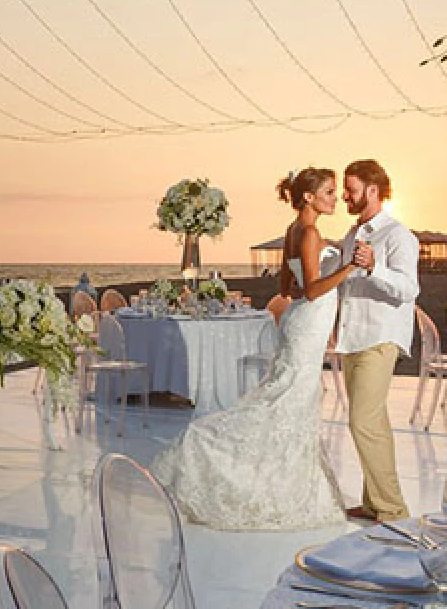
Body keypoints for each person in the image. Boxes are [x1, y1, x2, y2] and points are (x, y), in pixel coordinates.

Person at [148, 168, 355, 529]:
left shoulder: (295, 231)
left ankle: (283, 479)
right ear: (308, 197)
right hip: (308, 322)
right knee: (287, 399)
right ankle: (206, 449)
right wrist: (349, 267)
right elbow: (309, 290)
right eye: (329, 191)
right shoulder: (308, 232)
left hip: (305, 323)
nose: (335, 198)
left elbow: (286, 285)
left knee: (288, 397)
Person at [333, 159, 421, 522]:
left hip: (380, 338)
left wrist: (374, 267)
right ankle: (373, 503)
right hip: (354, 338)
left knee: (362, 422)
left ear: (372, 190)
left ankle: (393, 510)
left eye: (350, 190)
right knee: (374, 423)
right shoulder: (351, 236)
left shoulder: (398, 236)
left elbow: (409, 289)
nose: (344, 196)